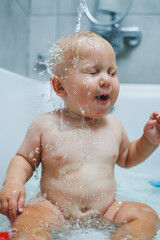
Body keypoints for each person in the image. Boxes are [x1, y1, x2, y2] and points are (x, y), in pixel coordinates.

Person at [0, 31, 160, 240]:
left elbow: (127, 157)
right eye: (93, 72)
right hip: (53, 209)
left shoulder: (114, 125)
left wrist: (148, 141)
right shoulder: (45, 124)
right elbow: (24, 160)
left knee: (147, 216)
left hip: (106, 210)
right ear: (59, 86)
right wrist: (13, 183)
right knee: (27, 221)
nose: (106, 80)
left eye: (112, 73)